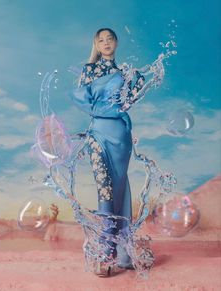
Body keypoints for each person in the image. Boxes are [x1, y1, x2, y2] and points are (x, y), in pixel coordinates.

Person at [71, 28, 145, 275]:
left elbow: (131, 98)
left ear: (116, 43)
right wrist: (108, 109)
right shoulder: (88, 70)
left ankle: (123, 251)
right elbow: (85, 102)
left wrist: (136, 81)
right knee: (103, 187)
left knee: (119, 188)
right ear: (96, 44)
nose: (105, 43)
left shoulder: (124, 73)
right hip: (97, 135)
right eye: (100, 40)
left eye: (109, 39)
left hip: (120, 136)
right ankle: (105, 254)